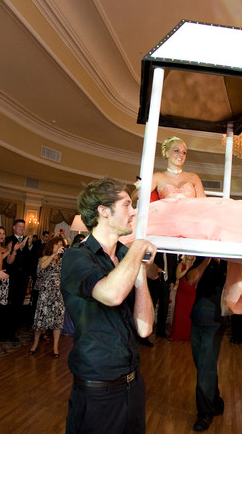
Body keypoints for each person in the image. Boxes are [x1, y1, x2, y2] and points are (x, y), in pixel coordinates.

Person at [139, 136, 242, 314]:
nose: (181, 155)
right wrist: (139, 188)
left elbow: (203, 203)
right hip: (170, 216)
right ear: (166, 153)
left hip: (194, 216)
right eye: (177, 150)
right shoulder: (157, 176)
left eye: (184, 152)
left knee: (231, 209)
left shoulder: (193, 177)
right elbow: (139, 198)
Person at [60, 177, 154, 434]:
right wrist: (137, 249)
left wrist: (140, 273)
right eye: (126, 204)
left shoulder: (125, 257)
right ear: (103, 210)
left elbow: (144, 329)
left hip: (133, 384)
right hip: (97, 392)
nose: (133, 212)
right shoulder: (77, 257)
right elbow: (111, 294)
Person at [186, 256, 229, 431]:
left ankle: (205, 414)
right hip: (197, 318)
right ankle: (215, 401)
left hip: (215, 321)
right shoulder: (203, 258)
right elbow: (191, 279)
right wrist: (207, 260)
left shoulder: (229, 262)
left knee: (205, 367)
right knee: (204, 365)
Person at [29, 235, 68, 357]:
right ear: (52, 245)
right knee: (41, 319)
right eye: (57, 244)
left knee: (58, 320)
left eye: (61, 244)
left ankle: (55, 347)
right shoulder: (44, 258)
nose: (59, 246)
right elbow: (40, 269)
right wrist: (53, 255)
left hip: (58, 292)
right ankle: (35, 344)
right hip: (46, 292)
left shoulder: (63, 261)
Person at [0, 219, 35, 341]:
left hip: (23, 277)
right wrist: (15, 249)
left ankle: (13, 331)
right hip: (11, 277)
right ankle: (4, 331)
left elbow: (30, 259)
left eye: (23, 227)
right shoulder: (9, 240)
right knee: (8, 304)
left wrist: (29, 246)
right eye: (19, 226)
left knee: (18, 305)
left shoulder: (27, 241)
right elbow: (8, 261)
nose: (21, 229)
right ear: (14, 228)